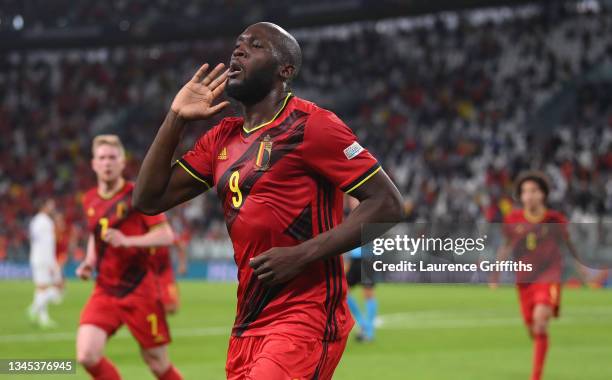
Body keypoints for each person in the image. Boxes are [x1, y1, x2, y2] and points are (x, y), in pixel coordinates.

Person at [133, 22, 403, 379]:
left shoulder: (313, 125)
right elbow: (148, 199)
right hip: (249, 321)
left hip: (305, 315)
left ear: (285, 70)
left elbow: (387, 204)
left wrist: (301, 254)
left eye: (255, 45)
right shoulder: (221, 138)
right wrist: (176, 118)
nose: (238, 50)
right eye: (238, 43)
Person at [75, 135, 182, 380]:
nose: (107, 163)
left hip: (140, 290)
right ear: (94, 164)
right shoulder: (89, 198)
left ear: (123, 163)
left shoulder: (138, 195)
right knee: (86, 355)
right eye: (102, 158)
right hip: (105, 290)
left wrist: (127, 241)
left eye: (112, 157)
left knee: (157, 363)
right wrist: (89, 262)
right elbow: (96, 234)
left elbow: (166, 235)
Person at [492, 171, 585, 380]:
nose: (529, 195)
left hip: (549, 275)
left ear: (543, 194)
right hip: (524, 279)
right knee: (533, 328)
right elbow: (505, 247)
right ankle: (539, 344)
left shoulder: (555, 219)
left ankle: (536, 377)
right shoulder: (513, 219)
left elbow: (569, 244)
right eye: (525, 191)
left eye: (534, 191)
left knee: (540, 320)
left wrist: (582, 267)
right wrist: (496, 271)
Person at [344, 197, 377, 342]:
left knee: (368, 294)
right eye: (351, 199)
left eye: (355, 199)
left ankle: (368, 331)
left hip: (367, 259)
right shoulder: (350, 217)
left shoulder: (369, 215)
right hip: (355, 259)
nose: (352, 202)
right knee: (344, 292)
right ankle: (363, 324)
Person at [28, 198, 63, 328]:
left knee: (41, 288)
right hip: (44, 259)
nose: (52, 208)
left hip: (38, 257)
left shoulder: (36, 221)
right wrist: (51, 264)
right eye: (50, 205)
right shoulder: (46, 222)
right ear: (44, 207)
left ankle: (42, 316)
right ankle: (35, 309)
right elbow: (47, 245)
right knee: (54, 287)